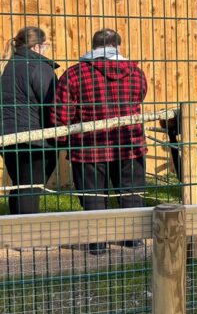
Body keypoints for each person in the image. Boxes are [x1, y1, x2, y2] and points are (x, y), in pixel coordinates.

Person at [52, 28, 148, 253]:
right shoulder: (135, 71)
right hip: (128, 142)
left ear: (93, 46)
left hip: (89, 146)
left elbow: (61, 113)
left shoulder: (74, 74)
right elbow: (140, 95)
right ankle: (133, 237)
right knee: (130, 190)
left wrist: (65, 140)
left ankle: (98, 242)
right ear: (118, 46)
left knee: (93, 193)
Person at [0, 26, 59, 215]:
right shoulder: (38, 67)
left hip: (8, 135)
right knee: (31, 187)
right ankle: (29, 240)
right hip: (35, 137)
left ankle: (17, 232)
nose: (46, 50)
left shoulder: (9, 66)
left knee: (21, 185)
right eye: (46, 45)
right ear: (36, 47)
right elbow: (53, 103)